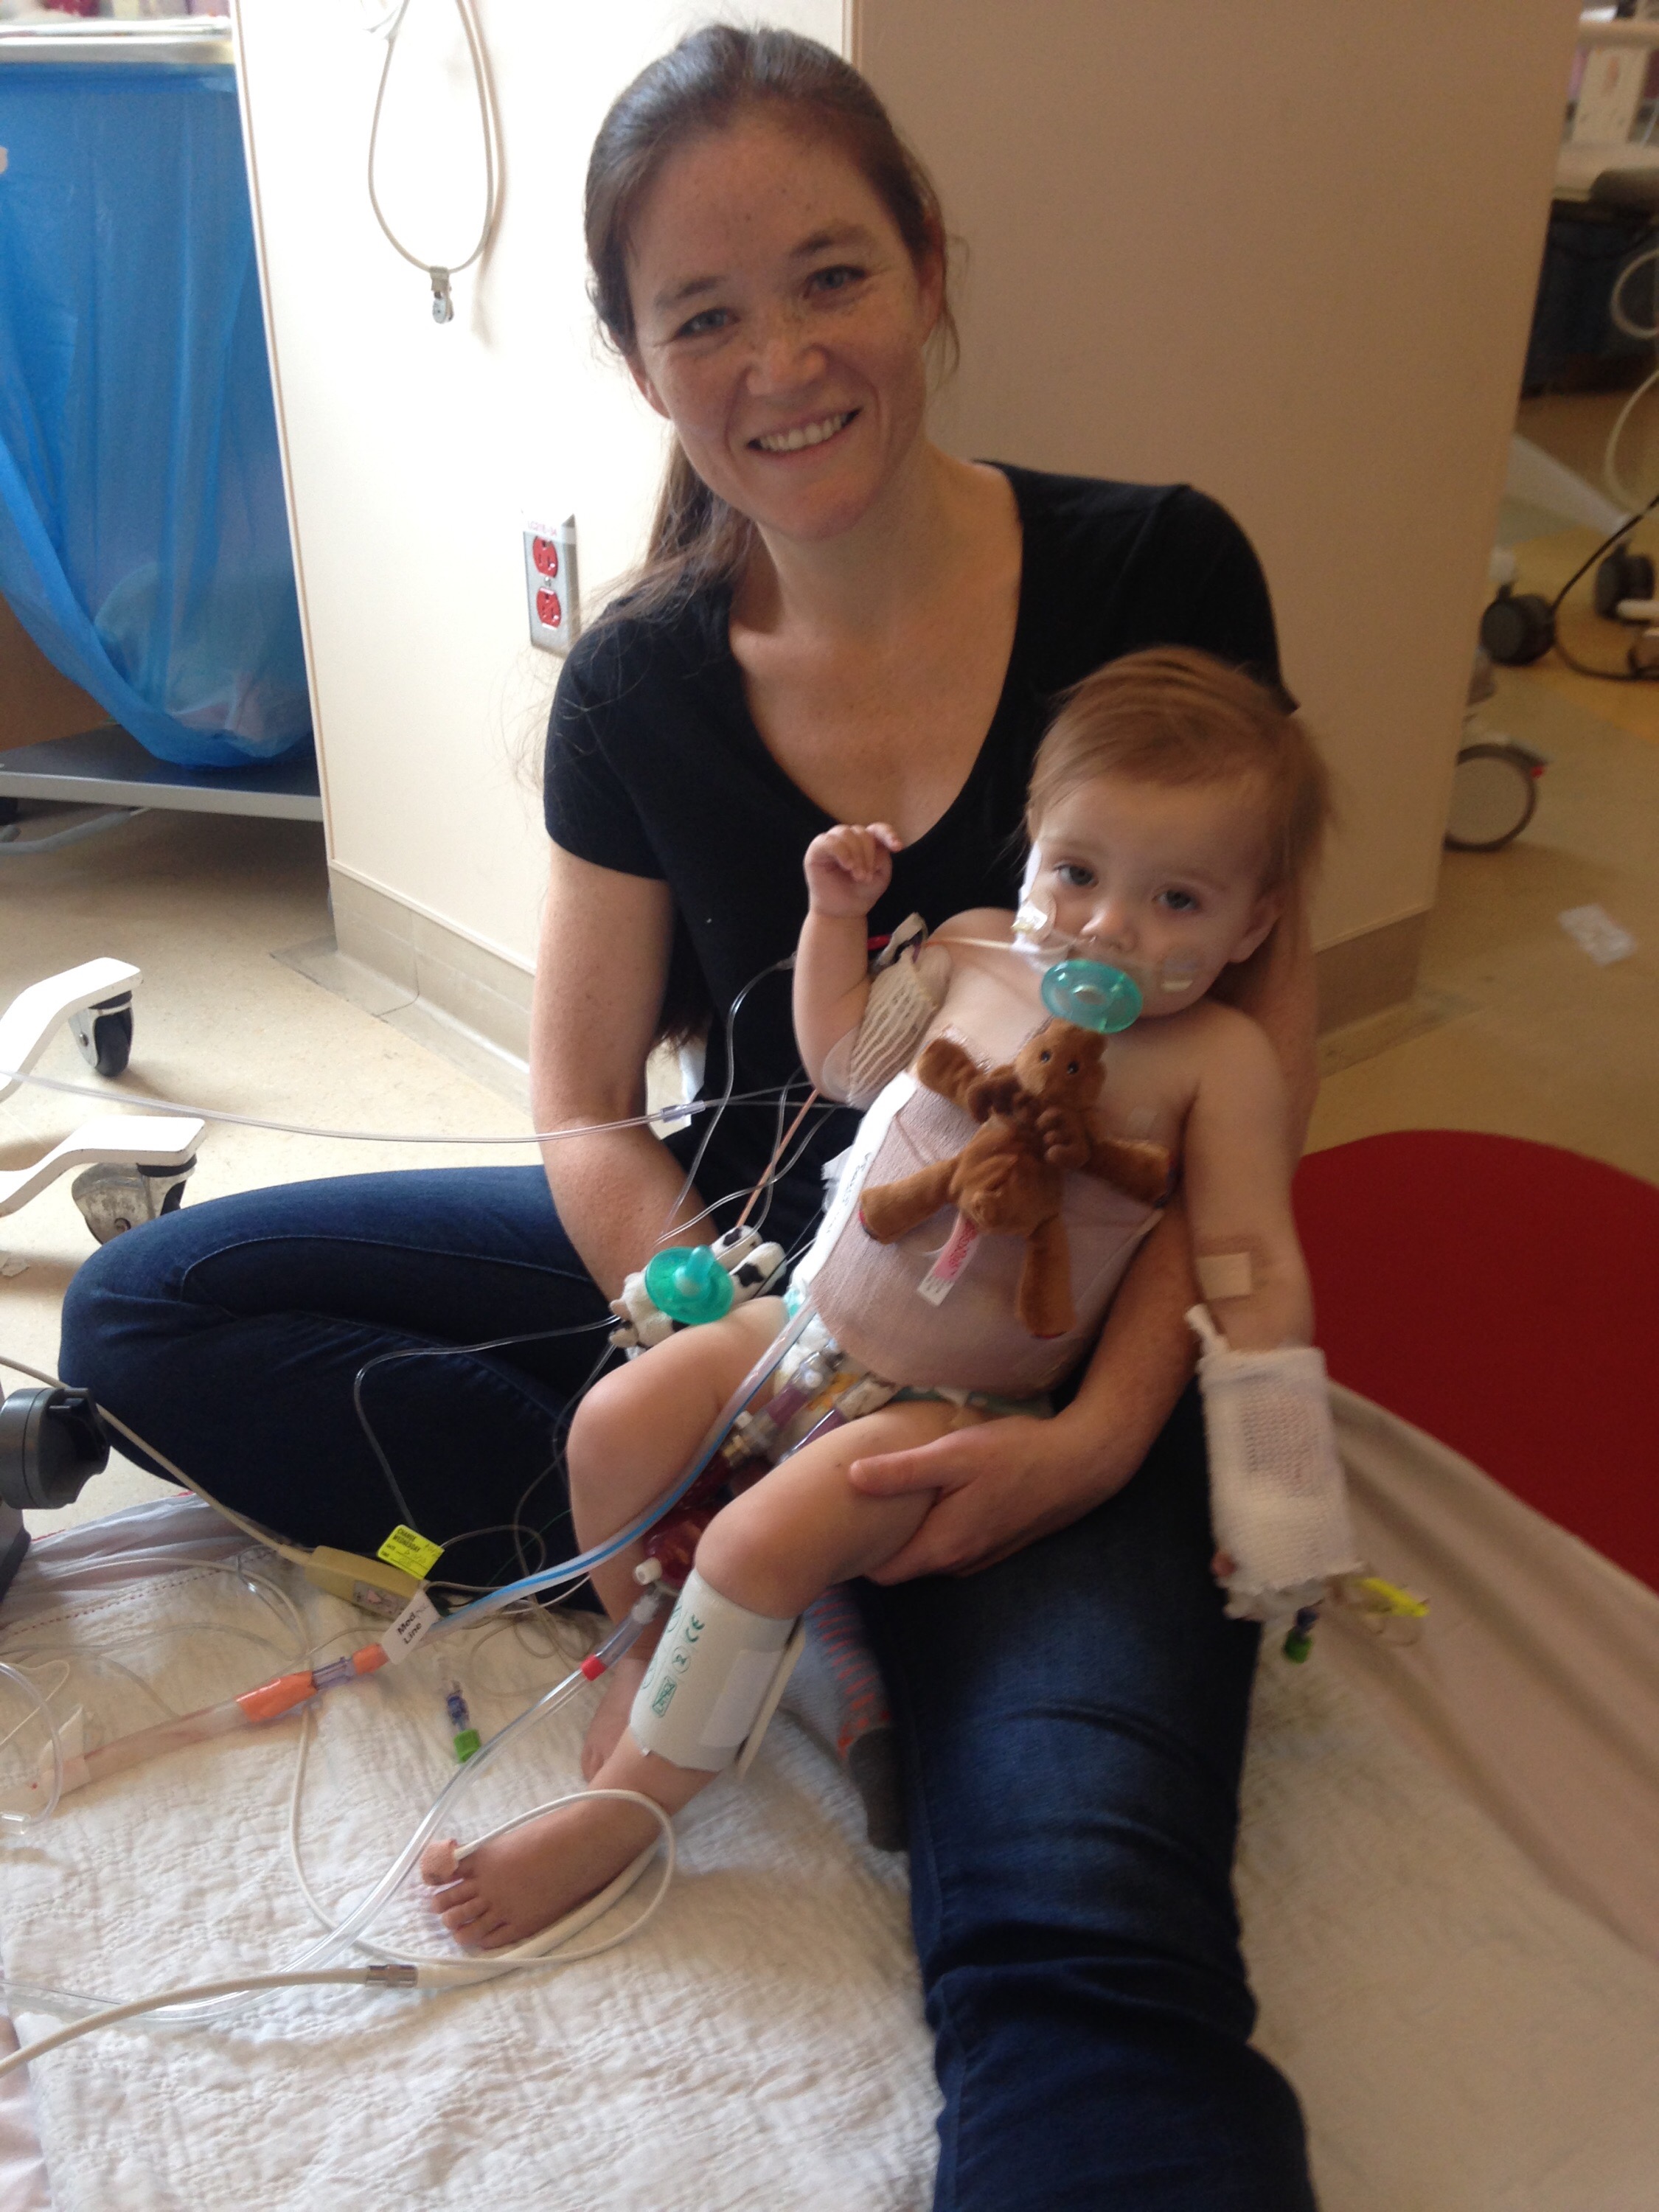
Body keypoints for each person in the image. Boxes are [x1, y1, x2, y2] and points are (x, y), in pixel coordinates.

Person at [60, 26, 1321, 2208]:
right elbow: (581, 1108)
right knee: (151, 1315)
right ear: (638, 357)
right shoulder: (641, 679)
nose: (783, 362)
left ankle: (845, 1595)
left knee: (1083, 1932)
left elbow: (1247, 1105)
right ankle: (760, 1585)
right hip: (776, 1285)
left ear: (929, 267)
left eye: (833, 277)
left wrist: (1092, 1447)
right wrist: (705, 1333)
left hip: (1062, 1339)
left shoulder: (1157, 582)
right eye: (705, 315)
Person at [420, 645, 1341, 1952]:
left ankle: (631, 1808)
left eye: (1177, 900)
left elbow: (1247, 1266)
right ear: (1032, 842)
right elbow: (844, 1060)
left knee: (754, 1549)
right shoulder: (970, 952)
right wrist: (830, 918)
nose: (1106, 929)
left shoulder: (1219, 1060)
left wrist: (1276, 1483)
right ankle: (651, 1646)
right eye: (1076, 874)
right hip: (804, 1325)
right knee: (610, 1427)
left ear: (1252, 925)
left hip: (953, 1405)